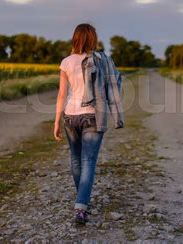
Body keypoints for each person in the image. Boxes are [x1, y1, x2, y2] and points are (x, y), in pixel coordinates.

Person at [54, 23, 124, 224]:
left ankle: (81, 199)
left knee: (76, 160)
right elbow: (114, 83)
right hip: (93, 116)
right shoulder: (102, 61)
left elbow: (61, 95)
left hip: (70, 116)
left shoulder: (66, 62)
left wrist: (56, 122)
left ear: (74, 38)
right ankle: (81, 206)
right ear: (93, 39)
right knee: (88, 162)